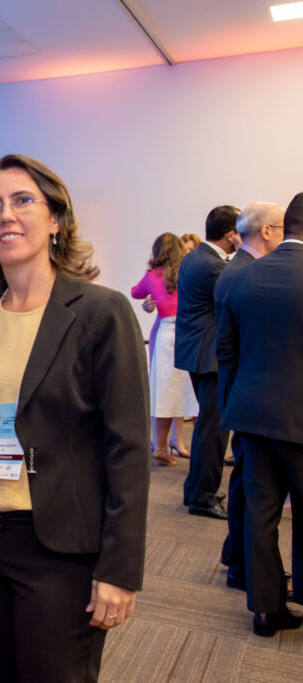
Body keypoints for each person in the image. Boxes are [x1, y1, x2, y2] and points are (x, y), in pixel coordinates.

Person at [0, 154, 149, 682]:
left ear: (56, 218)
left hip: (58, 546)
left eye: (22, 200)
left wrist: (119, 570)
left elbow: (128, 448)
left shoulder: (100, 313)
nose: (5, 215)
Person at [216, 192, 303, 636]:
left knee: (260, 511)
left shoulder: (241, 277)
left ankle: (265, 610)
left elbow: (226, 352)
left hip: (251, 413)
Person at [213, 201, 285, 593]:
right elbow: (229, 350)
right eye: (281, 226)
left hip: (249, 399)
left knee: (248, 484)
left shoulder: (243, 271)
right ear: (267, 231)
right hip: (247, 399)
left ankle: (238, 558)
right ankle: (241, 563)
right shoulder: (239, 273)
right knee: (247, 485)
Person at [175, 205, 241, 519]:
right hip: (209, 354)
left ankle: (195, 489)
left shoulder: (197, 256)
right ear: (232, 234)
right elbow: (240, 294)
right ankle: (202, 496)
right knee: (213, 429)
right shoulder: (214, 266)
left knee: (207, 426)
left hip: (199, 352)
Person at [130, 233, 197, 466]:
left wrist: (150, 298)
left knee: (164, 391)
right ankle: (198, 447)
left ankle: (160, 445)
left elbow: (135, 292)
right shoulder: (189, 272)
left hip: (166, 333)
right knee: (194, 389)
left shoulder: (152, 275)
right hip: (191, 331)